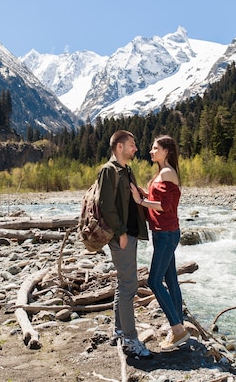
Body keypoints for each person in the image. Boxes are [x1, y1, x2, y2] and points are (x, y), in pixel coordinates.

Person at [130, 135, 190, 352]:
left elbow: (164, 206)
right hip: (165, 232)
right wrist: (144, 194)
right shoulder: (164, 173)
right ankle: (179, 326)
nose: (151, 151)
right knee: (170, 279)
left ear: (167, 151)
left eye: (155, 148)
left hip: (166, 234)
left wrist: (141, 201)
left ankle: (178, 331)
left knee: (154, 282)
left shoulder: (167, 173)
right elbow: (163, 202)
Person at [98, 130, 152, 359]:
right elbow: (105, 205)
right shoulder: (108, 171)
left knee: (124, 283)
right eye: (132, 144)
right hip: (121, 236)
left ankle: (120, 330)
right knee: (129, 285)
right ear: (119, 147)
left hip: (129, 234)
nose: (136, 149)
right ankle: (130, 339)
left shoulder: (126, 170)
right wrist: (120, 233)